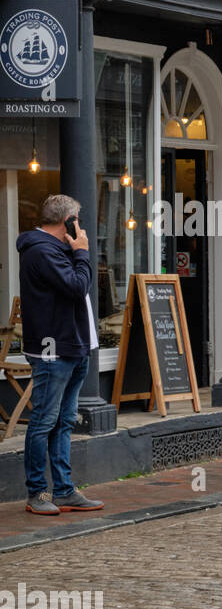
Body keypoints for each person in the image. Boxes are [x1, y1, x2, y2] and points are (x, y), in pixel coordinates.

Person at [17, 194, 105, 515]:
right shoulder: (41, 251)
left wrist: (76, 250)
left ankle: (65, 490)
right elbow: (77, 286)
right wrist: (81, 252)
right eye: (77, 220)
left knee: (64, 421)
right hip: (53, 350)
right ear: (67, 221)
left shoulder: (57, 249)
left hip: (75, 346)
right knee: (44, 421)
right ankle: (37, 493)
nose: (80, 227)